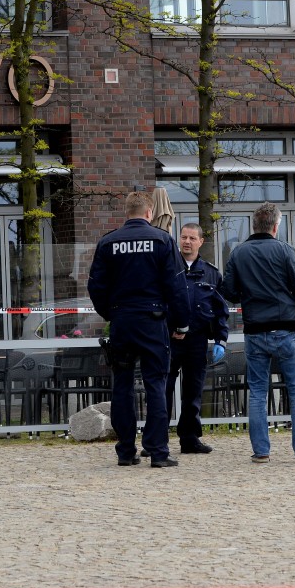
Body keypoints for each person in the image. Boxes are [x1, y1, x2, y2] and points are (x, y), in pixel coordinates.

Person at [88, 191, 191, 468]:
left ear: (127, 212)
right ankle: (157, 452)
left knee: (122, 385)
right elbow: (176, 286)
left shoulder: (108, 242)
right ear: (150, 213)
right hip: (153, 321)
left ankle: (125, 451)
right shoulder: (162, 240)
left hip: (122, 321)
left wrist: (111, 313)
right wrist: (181, 323)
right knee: (156, 384)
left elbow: (95, 286)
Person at [221, 202, 295, 464]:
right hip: (287, 330)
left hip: (255, 331)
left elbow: (228, 292)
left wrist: (248, 294)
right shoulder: (285, 250)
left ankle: (261, 451)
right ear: (276, 226)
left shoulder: (239, 253)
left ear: (254, 225)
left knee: (257, 392)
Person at [164, 222, 230, 454]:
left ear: (201, 242)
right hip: (170, 339)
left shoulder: (211, 273)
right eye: (183, 237)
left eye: (192, 238)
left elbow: (220, 310)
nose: (187, 242)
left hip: (197, 340)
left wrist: (221, 340)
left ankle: (189, 439)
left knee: (193, 392)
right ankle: (158, 440)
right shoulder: (168, 268)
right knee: (164, 391)